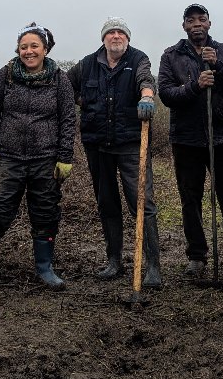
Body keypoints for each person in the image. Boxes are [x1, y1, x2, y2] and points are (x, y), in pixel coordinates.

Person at [0, 24, 76, 297]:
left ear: (46, 49)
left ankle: (45, 268)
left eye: (34, 46)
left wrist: (65, 157)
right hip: (9, 159)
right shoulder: (5, 76)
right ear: (18, 49)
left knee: (45, 213)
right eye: (24, 46)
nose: (29, 51)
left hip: (45, 159)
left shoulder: (59, 79)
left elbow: (67, 119)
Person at [67, 17, 161, 288]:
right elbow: (66, 87)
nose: (116, 36)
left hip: (131, 143)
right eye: (111, 32)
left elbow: (146, 78)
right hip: (97, 144)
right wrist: (81, 100)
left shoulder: (138, 58)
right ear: (103, 38)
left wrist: (146, 96)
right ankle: (114, 261)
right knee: (107, 202)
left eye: (121, 32)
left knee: (142, 202)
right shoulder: (86, 64)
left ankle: (153, 265)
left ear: (128, 38)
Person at [158, 3, 223, 278]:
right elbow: (166, 94)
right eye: (191, 20)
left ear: (209, 23)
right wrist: (195, 86)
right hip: (186, 139)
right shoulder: (170, 56)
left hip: (222, 135)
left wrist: (219, 66)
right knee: (190, 199)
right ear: (184, 26)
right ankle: (197, 256)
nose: (196, 24)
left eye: (202, 19)